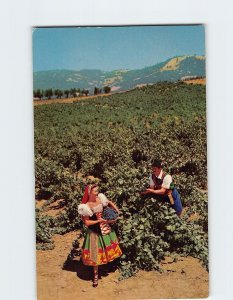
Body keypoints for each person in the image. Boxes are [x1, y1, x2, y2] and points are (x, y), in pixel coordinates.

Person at [78, 184, 122, 287]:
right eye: (95, 191)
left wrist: (117, 210)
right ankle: (95, 276)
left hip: (105, 227)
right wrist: (98, 220)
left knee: (106, 248)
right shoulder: (86, 206)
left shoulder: (100, 198)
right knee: (95, 254)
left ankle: (106, 267)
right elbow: (87, 223)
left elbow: (109, 202)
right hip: (94, 231)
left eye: (97, 190)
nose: (97, 192)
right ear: (89, 193)